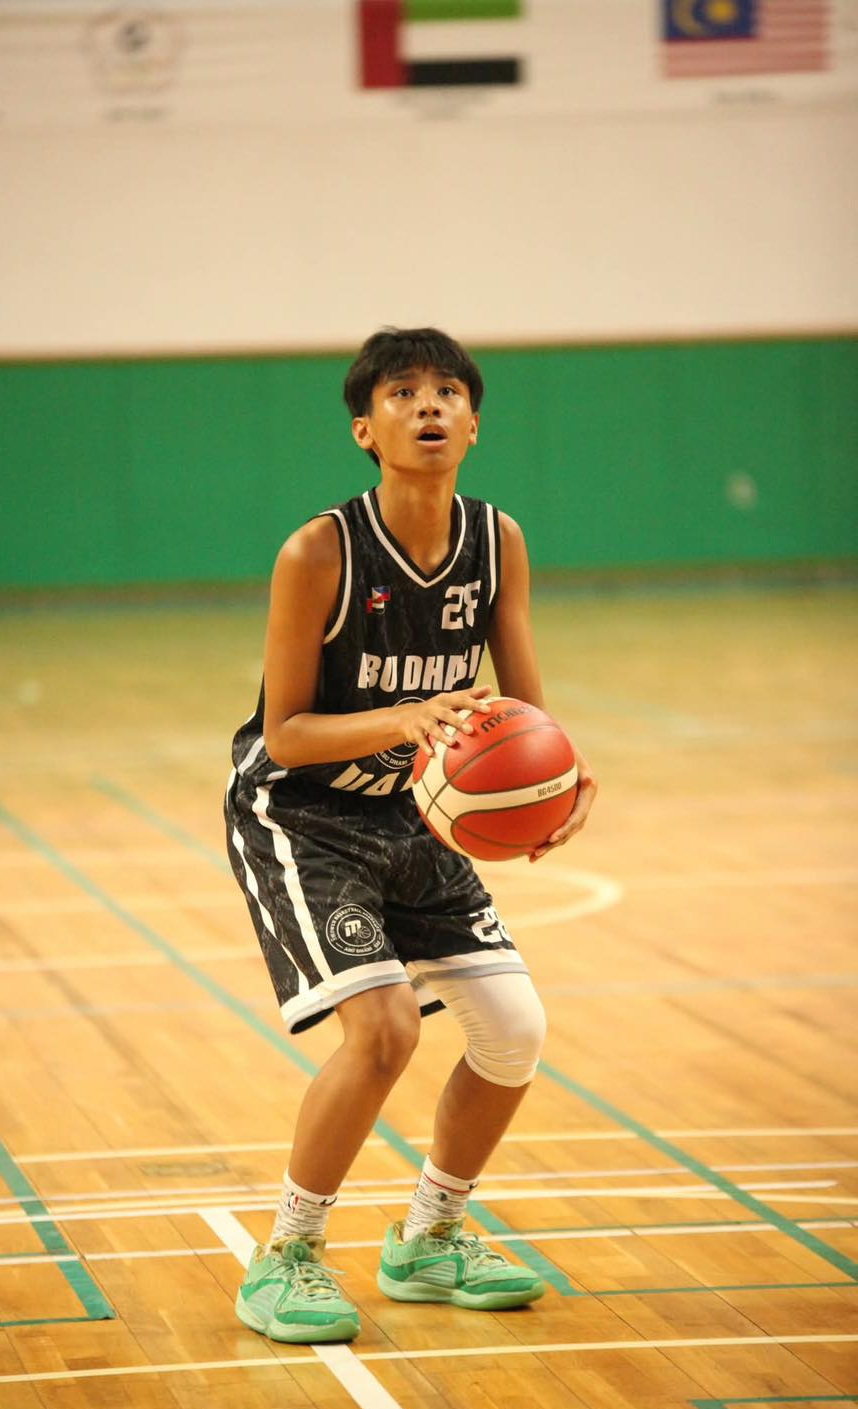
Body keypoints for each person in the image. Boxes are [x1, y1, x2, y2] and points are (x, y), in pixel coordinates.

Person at [224, 326, 597, 1344]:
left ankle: (430, 1237)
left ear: (474, 425)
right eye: (401, 393)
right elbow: (286, 733)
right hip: (301, 812)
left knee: (515, 1031)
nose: (427, 405)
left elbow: (521, 705)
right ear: (365, 428)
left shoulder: (497, 541)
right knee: (385, 1030)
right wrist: (407, 719)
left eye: (446, 392)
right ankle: (287, 1254)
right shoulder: (318, 552)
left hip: (413, 806)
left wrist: (557, 775)